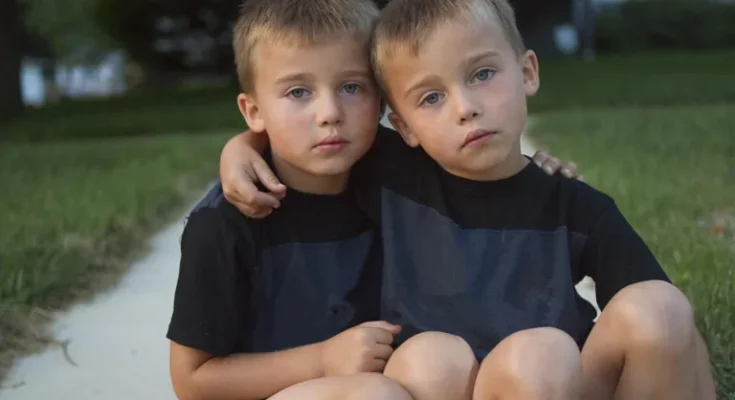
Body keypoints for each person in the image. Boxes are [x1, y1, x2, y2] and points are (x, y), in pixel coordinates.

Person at [217, 0, 717, 399]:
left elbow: (675, 337)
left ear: (527, 73)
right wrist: (241, 146)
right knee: (430, 356)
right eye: (431, 97)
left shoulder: (576, 206)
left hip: (559, 381)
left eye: (481, 74)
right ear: (404, 127)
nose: (466, 108)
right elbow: (306, 139)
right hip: (441, 383)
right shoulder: (391, 174)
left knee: (656, 306)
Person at [165, 0, 416, 399]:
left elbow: (476, 164)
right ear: (253, 111)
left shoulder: (401, 175)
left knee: (435, 366)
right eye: (298, 92)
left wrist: (545, 169)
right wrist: (322, 361)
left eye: (351, 87)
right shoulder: (223, 224)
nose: (329, 113)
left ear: (381, 100)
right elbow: (192, 382)